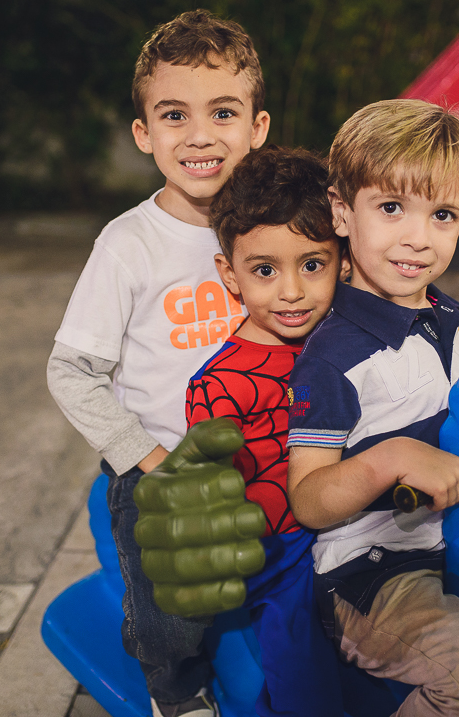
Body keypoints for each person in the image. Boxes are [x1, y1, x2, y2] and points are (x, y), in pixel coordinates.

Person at [48, 9, 269, 717]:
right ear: (145, 135)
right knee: (173, 616)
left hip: (264, 461)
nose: (200, 135)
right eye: (174, 115)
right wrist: (146, 458)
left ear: (257, 128)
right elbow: (71, 372)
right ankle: (173, 690)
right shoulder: (129, 244)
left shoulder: (271, 227)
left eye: (223, 112)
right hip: (161, 472)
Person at [285, 99, 459, 717]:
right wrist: (389, 459)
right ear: (343, 212)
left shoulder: (443, 321)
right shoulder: (335, 355)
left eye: (442, 214)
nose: (417, 238)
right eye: (391, 208)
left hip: (455, 537)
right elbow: (309, 501)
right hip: (373, 576)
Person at [184, 145, 347, 717]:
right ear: (230, 275)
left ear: (342, 261)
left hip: (346, 532)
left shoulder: (339, 343)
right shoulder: (222, 384)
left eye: (311, 264)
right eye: (264, 270)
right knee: (306, 684)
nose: (292, 292)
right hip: (275, 559)